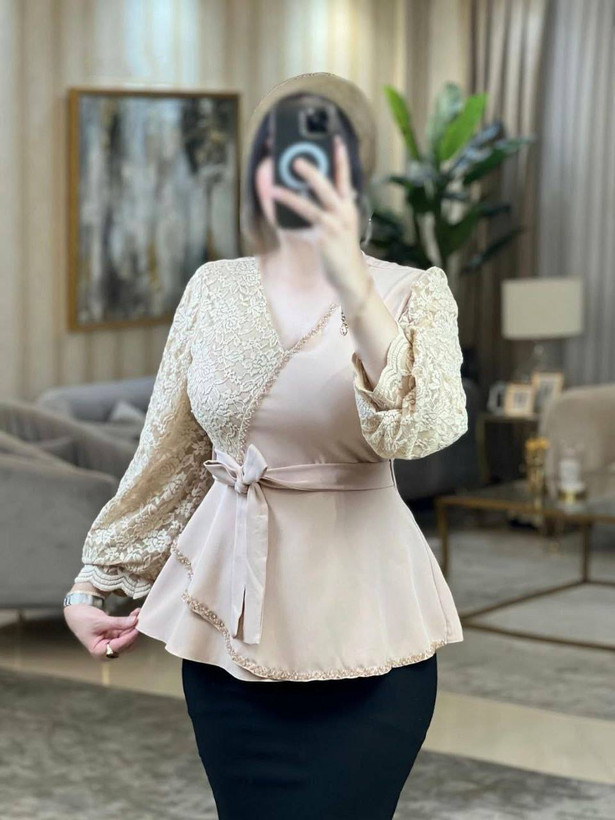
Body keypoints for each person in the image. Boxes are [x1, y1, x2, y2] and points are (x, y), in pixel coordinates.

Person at [63, 71, 468, 819]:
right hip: (228, 641)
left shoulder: (413, 293)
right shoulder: (213, 289)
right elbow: (171, 454)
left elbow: (423, 426)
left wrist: (351, 282)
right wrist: (97, 582)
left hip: (366, 633)